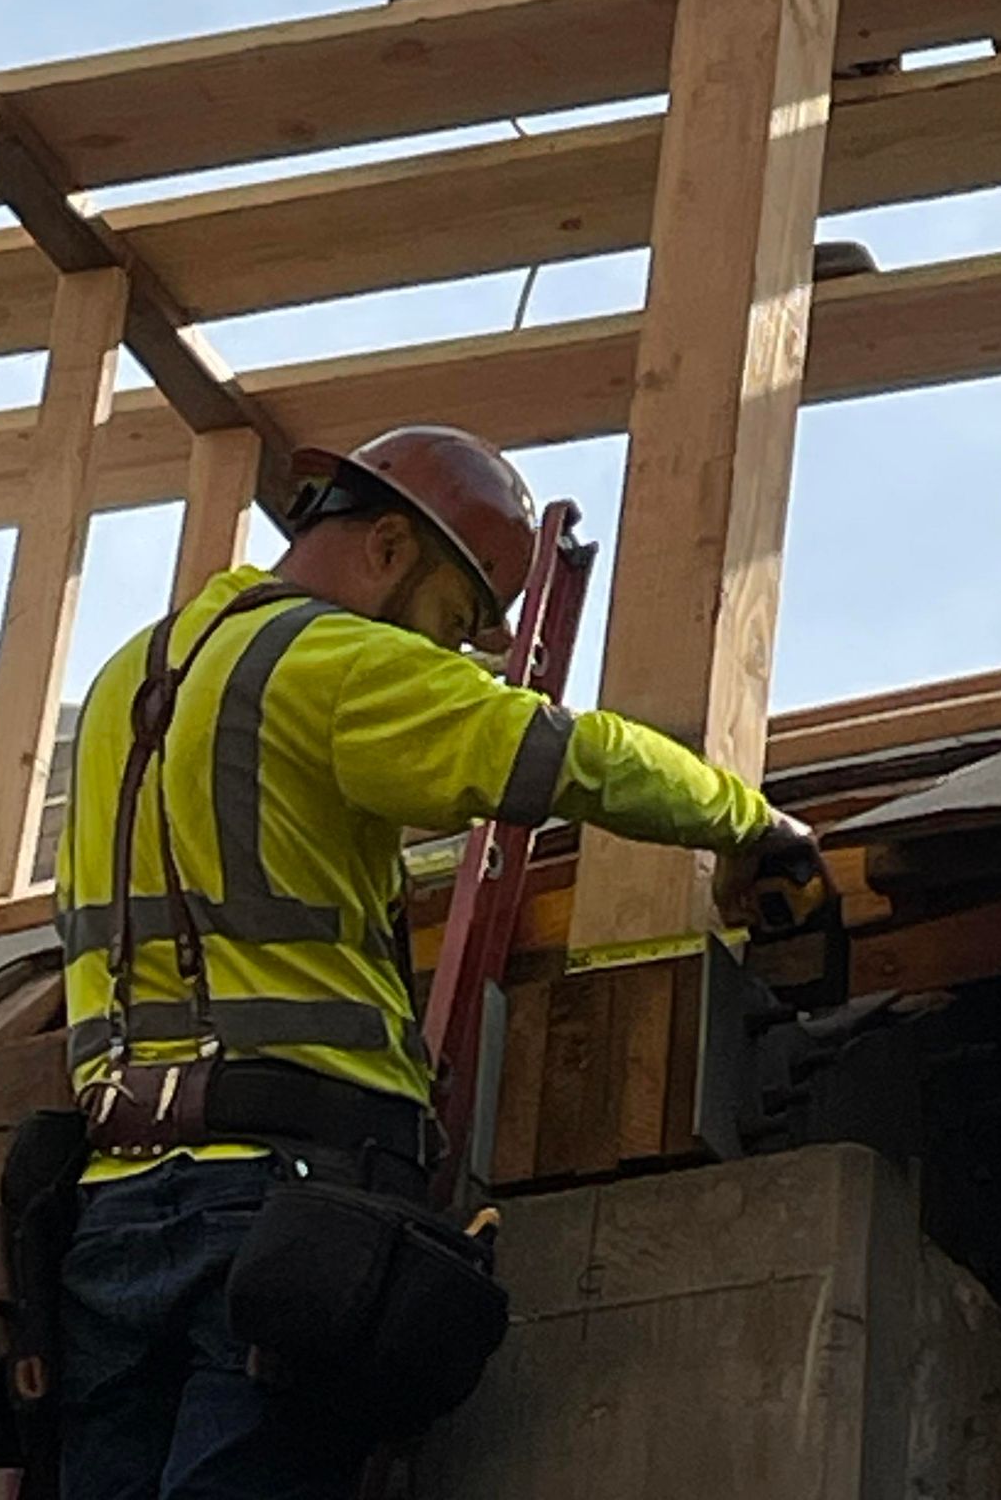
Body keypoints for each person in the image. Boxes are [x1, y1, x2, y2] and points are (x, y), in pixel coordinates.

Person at [53, 423, 822, 1498]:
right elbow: (569, 756)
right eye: (455, 621)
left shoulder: (129, 681)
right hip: (284, 1198)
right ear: (386, 550)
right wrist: (752, 825)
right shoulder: (333, 660)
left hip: (114, 1210)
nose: (456, 653)